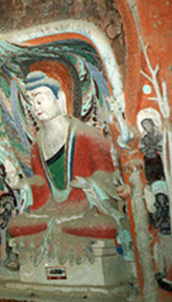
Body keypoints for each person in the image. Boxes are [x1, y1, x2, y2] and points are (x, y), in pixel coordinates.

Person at [8, 71, 126, 259]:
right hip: (51, 211)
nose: (35, 107)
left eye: (40, 100)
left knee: (105, 227)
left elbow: (106, 174)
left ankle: (61, 230)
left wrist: (90, 184)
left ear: (60, 99)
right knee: (15, 226)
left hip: (84, 209)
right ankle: (59, 228)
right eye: (31, 103)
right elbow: (40, 182)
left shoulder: (88, 134)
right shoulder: (37, 144)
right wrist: (21, 184)